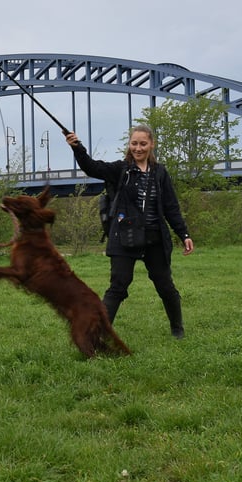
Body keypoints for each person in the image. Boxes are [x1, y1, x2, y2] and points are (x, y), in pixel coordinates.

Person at [65, 125, 194, 338]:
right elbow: (92, 167)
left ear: (151, 144)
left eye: (143, 143)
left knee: (165, 286)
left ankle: (177, 329)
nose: (138, 148)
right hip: (124, 237)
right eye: (134, 143)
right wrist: (77, 148)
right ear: (129, 145)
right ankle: (99, 335)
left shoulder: (160, 173)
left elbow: (171, 207)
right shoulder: (120, 169)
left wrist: (185, 235)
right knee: (118, 287)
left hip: (155, 239)